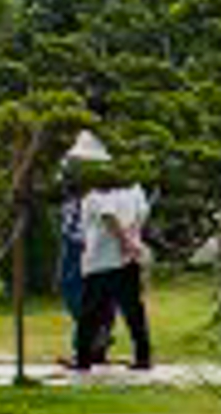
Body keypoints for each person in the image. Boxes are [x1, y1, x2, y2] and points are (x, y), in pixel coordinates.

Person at [66, 159, 155, 372]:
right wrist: (133, 242)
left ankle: (83, 358)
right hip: (127, 259)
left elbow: (108, 216)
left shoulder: (97, 193)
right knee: (133, 310)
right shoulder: (135, 188)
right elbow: (141, 215)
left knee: (90, 312)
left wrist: (124, 242)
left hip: (101, 260)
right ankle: (143, 356)